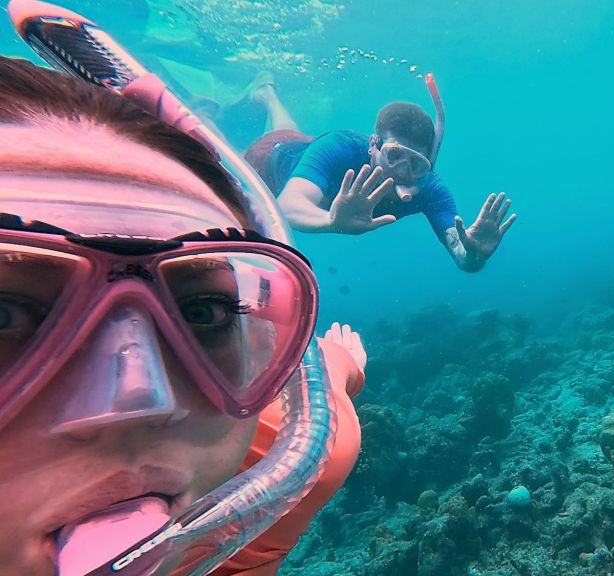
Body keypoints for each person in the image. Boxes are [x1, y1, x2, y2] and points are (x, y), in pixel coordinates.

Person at [0, 53, 363, 576]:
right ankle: (257, 98)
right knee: (280, 136)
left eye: (205, 311)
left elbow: (327, 366)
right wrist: (327, 220)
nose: (141, 400)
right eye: (4, 315)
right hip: (276, 158)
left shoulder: (293, 455)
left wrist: (351, 365)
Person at [242, 78, 518, 273]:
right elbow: (287, 206)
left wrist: (473, 257)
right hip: (266, 161)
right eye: (395, 155)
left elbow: (462, 255)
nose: (402, 171)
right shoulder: (340, 147)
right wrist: (331, 221)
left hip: (301, 149)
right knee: (261, 147)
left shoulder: (430, 190)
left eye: (416, 163)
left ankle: (267, 93)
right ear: (373, 145)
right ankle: (265, 97)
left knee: (289, 128)